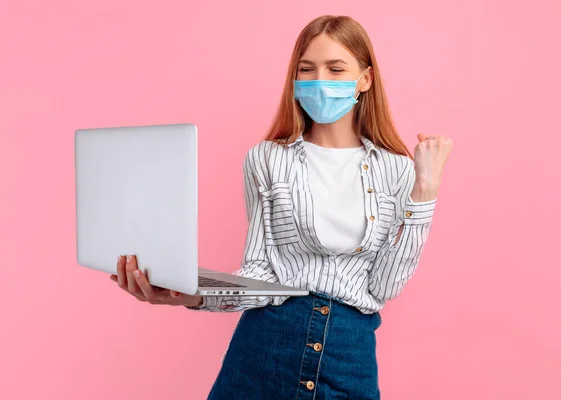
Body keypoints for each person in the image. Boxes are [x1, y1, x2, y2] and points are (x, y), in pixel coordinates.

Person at [110, 14, 453, 399]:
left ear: (365, 79)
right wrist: (190, 293)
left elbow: (385, 285)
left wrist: (425, 189)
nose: (319, 80)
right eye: (307, 69)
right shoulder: (267, 159)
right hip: (265, 348)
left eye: (335, 69)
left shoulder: (397, 169)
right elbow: (261, 276)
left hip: (349, 356)